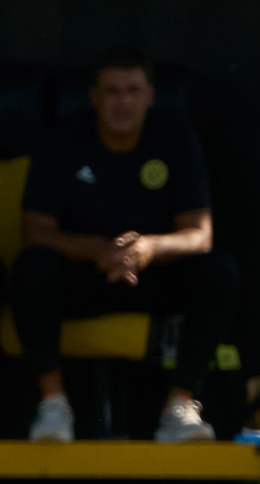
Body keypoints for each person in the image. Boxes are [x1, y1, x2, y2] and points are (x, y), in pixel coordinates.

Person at [15, 50, 238, 442]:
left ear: (150, 96)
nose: (123, 102)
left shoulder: (176, 139)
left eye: (133, 91)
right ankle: (53, 404)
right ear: (94, 97)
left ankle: (180, 405)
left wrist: (149, 248)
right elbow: (34, 231)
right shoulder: (62, 140)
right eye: (112, 92)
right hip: (85, 274)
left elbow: (199, 234)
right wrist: (98, 249)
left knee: (218, 270)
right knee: (32, 266)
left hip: (152, 277)